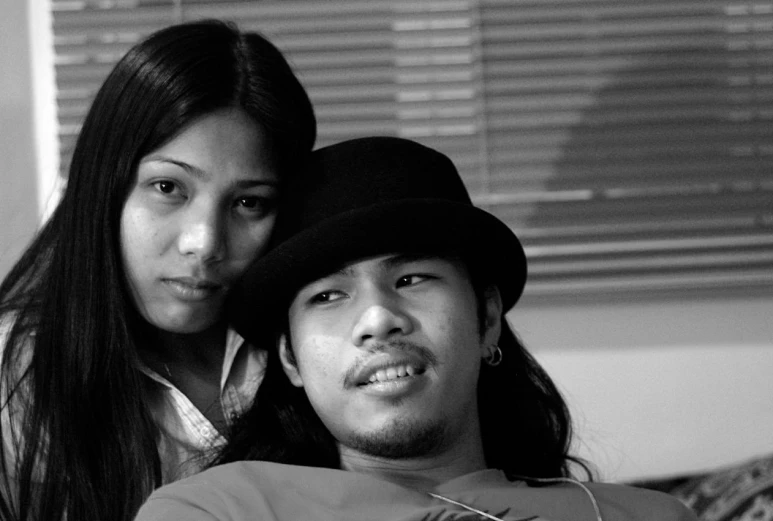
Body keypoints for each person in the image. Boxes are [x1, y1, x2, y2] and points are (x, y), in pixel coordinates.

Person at [133, 137, 696, 521]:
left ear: (488, 317)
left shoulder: (644, 516)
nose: (378, 319)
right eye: (329, 295)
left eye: (412, 277)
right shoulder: (217, 511)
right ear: (289, 360)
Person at [0, 19, 315, 521]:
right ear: (107, 184)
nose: (204, 242)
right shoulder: (18, 372)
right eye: (169, 188)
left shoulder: (316, 341)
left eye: (248, 203)